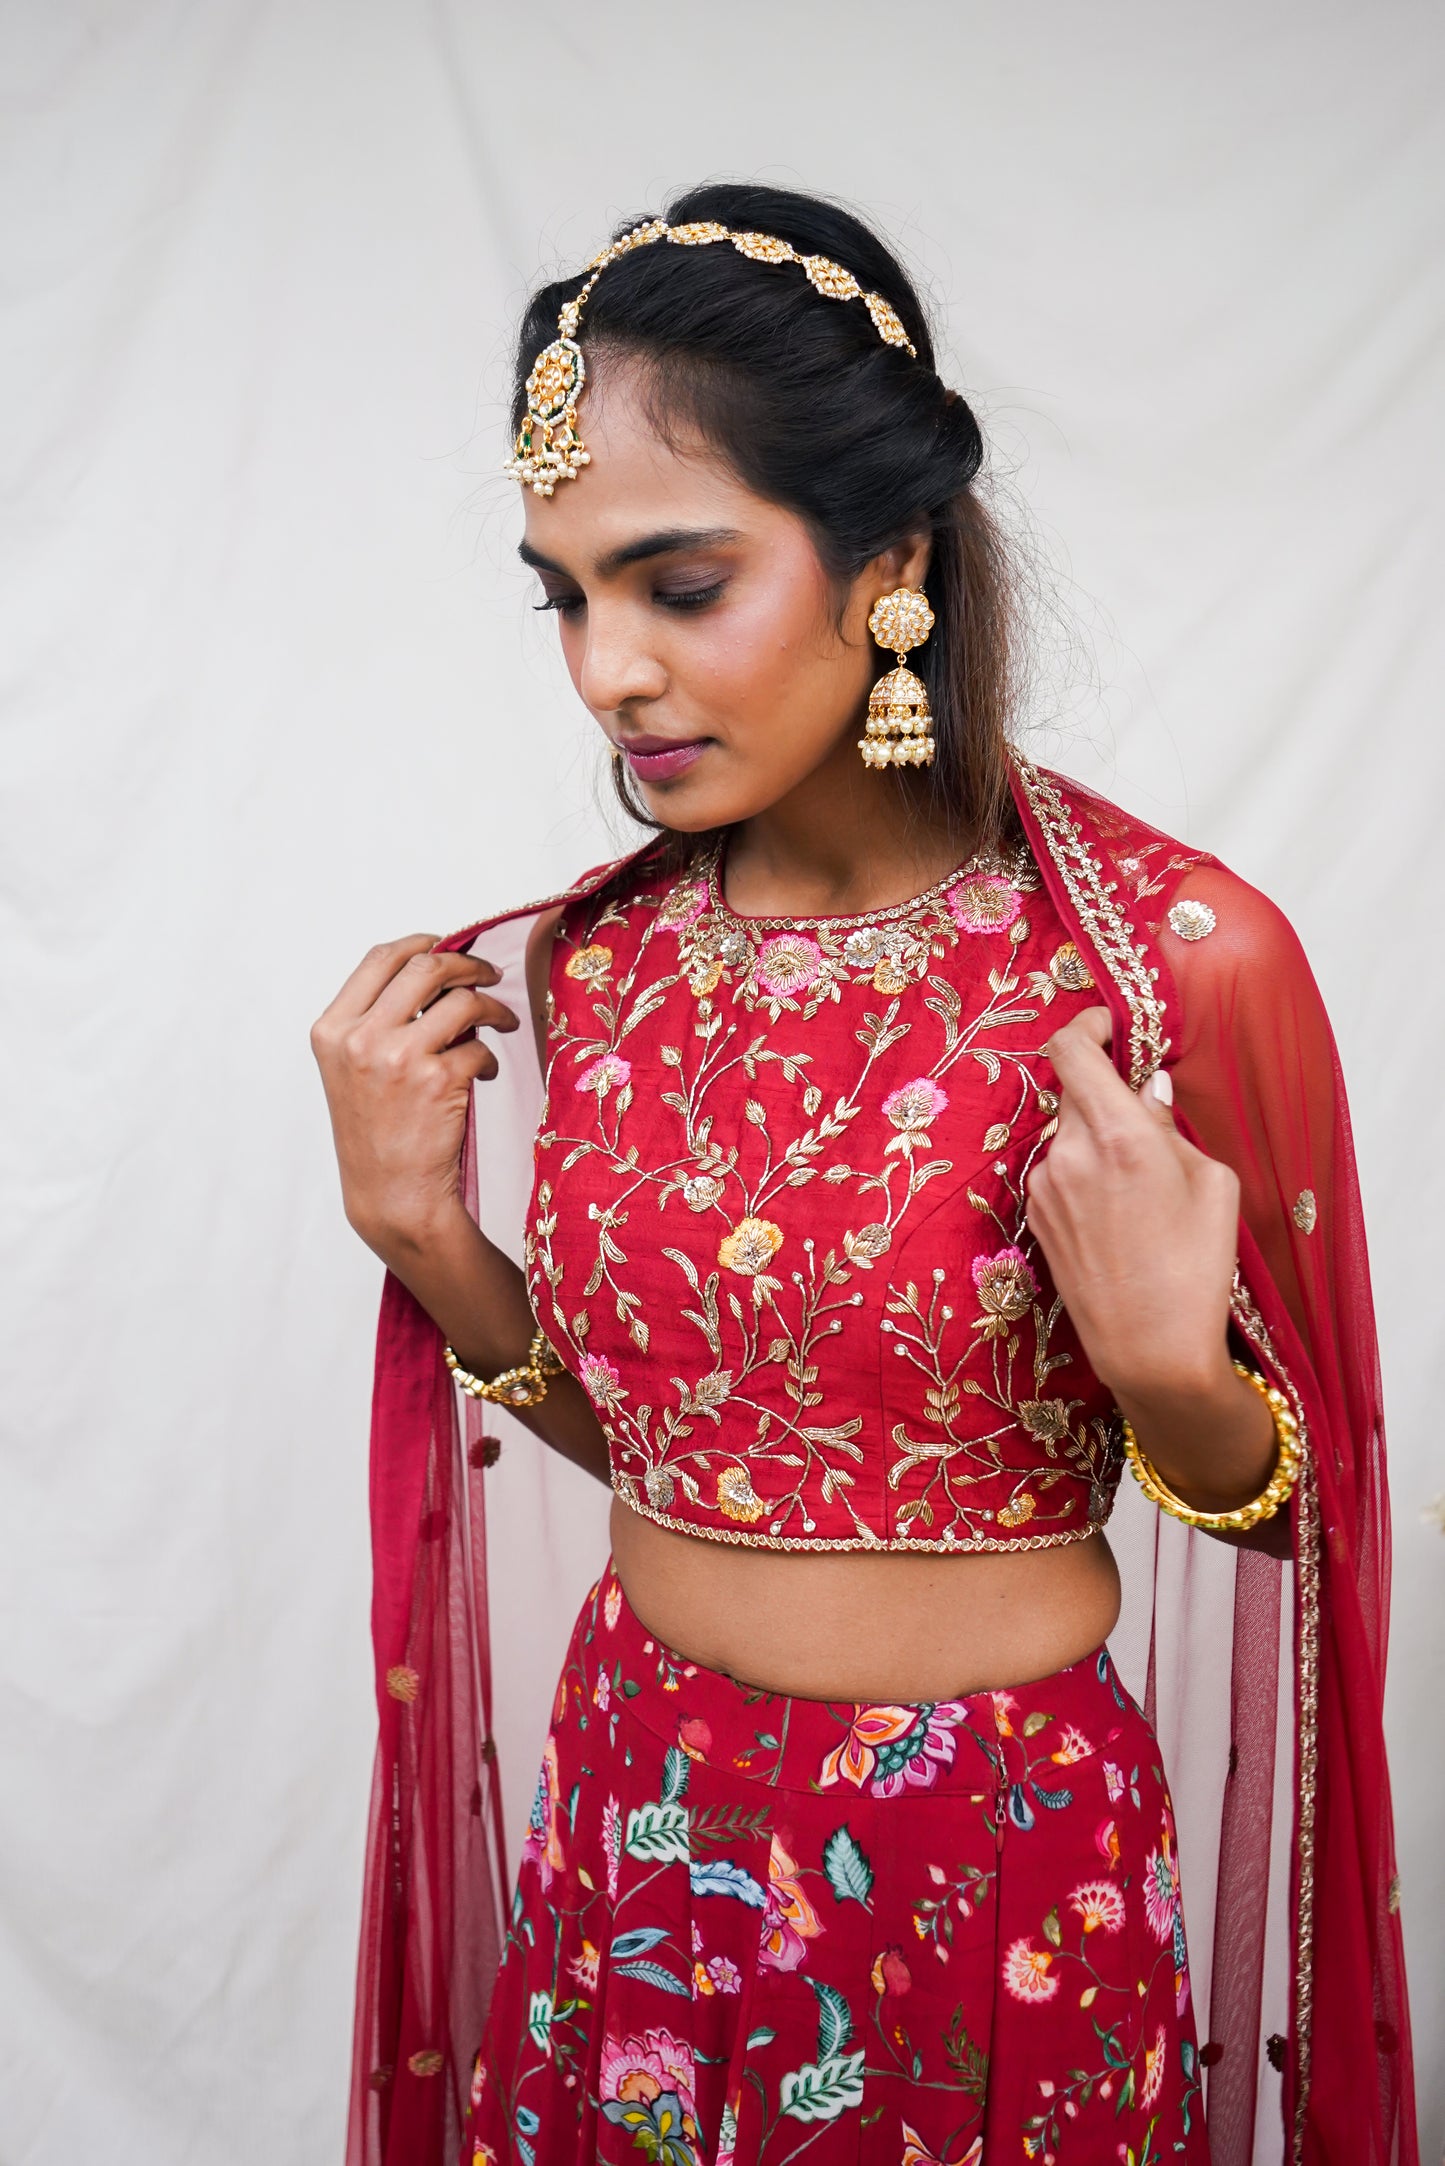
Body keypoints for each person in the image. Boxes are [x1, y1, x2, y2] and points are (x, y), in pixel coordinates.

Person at [312, 184, 1414, 2166]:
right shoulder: (601, 963)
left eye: (675, 582)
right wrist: (428, 1242)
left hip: (990, 1869)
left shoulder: (1165, 963)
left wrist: (1171, 1380)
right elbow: (682, 1441)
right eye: (567, 595)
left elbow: (1322, 1547)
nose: (606, 672)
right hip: (641, 1824)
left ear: (886, 559)